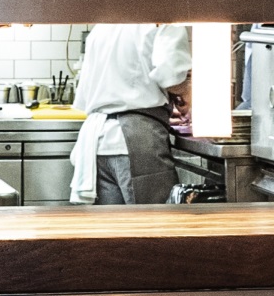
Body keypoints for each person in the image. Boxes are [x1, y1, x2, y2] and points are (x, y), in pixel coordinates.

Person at [69, 21, 191, 205]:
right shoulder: (164, 20)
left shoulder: (103, 26)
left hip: (97, 143)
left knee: (113, 229)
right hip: (136, 141)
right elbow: (171, 75)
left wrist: (154, 108)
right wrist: (187, 92)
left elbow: (87, 93)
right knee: (155, 226)